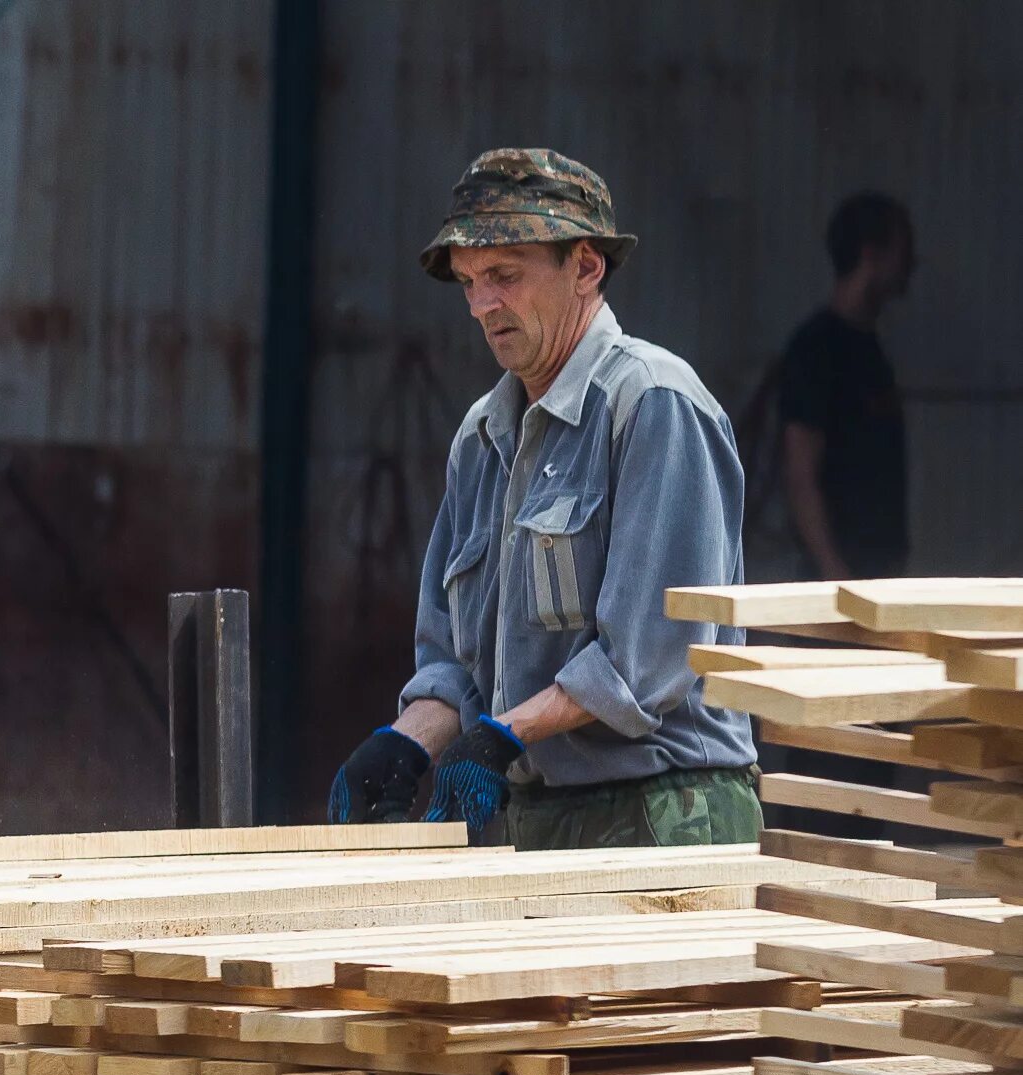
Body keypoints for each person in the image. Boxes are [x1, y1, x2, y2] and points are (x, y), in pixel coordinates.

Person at [328, 148, 759, 850]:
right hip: (538, 814)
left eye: (504, 275)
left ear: (585, 267)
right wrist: (404, 743)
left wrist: (503, 735)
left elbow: (647, 664)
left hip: (667, 809)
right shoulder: (481, 437)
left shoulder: (654, 404)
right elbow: (457, 659)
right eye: (469, 282)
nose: (482, 304)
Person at [779, 193, 915, 580]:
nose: (910, 265)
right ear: (871, 254)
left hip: (880, 578)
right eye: (902, 251)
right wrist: (835, 576)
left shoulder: (871, 347)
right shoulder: (816, 349)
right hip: (840, 589)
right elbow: (800, 473)